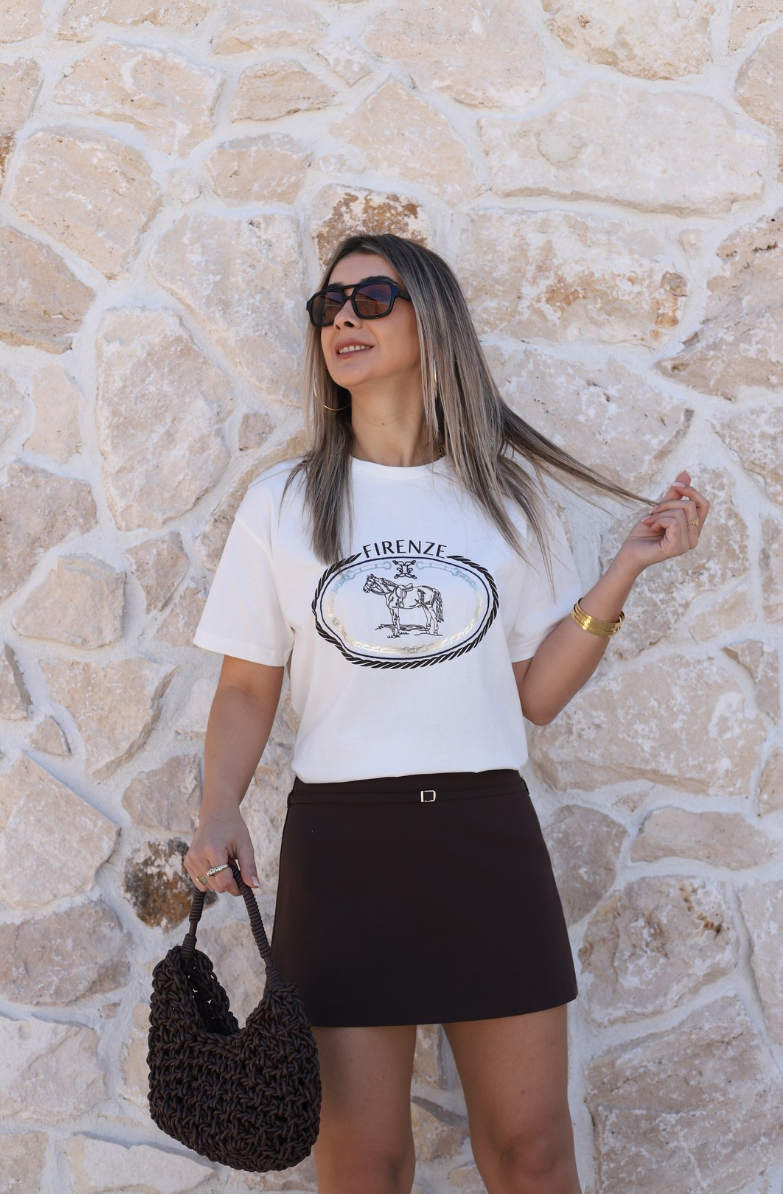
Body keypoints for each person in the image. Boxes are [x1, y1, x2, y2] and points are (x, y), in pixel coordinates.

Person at [186, 233, 710, 1194]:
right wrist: (219, 807)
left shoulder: (507, 496)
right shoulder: (283, 503)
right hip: (344, 849)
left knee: (532, 1151)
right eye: (329, 305)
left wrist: (625, 570)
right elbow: (248, 685)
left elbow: (535, 695)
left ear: (433, 321)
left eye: (372, 298)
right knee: (364, 1162)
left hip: (484, 837)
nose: (344, 318)